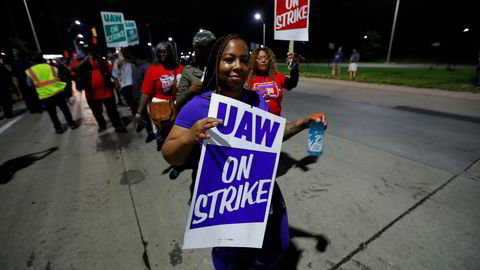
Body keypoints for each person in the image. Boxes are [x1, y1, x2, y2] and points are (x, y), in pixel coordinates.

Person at [161, 34, 327, 269]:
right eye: (229, 59)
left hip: (258, 188)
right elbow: (170, 154)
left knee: (277, 245)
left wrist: (303, 123)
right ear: (216, 64)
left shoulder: (258, 100)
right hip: (221, 196)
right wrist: (189, 136)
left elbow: (270, 138)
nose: (237, 66)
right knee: (227, 253)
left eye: (243, 60)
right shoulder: (198, 105)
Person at [134, 41, 184, 151]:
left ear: (172, 52)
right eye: (160, 52)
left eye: (165, 51)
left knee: (180, 136)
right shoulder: (153, 70)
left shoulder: (180, 68)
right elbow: (146, 92)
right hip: (162, 110)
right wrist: (139, 113)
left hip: (180, 107)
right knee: (164, 138)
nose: (162, 54)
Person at [71, 50, 127, 133]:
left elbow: (111, 72)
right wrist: (85, 60)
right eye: (88, 54)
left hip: (107, 91)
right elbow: (73, 68)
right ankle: (102, 125)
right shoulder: (81, 62)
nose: (91, 56)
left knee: (112, 110)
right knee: (97, 112)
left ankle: (117, 125)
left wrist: (116, 82)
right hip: (91, 94)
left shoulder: (102, 61)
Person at [25, 53, 78, 133]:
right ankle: (72, 124)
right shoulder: (52, 68)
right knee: (65, 110)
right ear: (43, 59)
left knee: (52, 113)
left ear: (33, 61)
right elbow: (59, 78)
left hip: (45, 95)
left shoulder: (31, 71)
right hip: (58, 93)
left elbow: (29, 83)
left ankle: (58, 128)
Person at [245, 47, 300, 116]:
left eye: (266, 58)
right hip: (254, 122)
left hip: (275, 123)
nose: (263, 61)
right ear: (253, 61)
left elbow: (292, 84)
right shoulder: (248, 79)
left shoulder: (277, 76)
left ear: (270, 60)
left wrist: (294, 66)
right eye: (259, 58)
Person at [176, 30, 217, 110]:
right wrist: (191, 90)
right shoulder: (189, 70)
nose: (212, 50)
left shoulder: (220, 66)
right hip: (197, 114)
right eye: (208, 47)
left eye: (213, 46)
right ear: (198, 49)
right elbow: (178, 102)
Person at [131, 45, 155, 143]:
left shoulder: (146, 67)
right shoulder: (138, 67)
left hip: (146, 99)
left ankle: (154, 133)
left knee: (150, 117)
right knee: (145, 117)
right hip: (140, 98)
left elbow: (149, 86)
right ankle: (150, 132)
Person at [10, 49, 43, 113]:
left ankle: (31, 109)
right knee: (33, 95)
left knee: (27, 97)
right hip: (27, 80)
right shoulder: (25, 61)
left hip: (21, 81)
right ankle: (38, 108)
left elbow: (14, 74)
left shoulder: (13, 63)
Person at [112, 47, 135, 111]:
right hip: (125, 87)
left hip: (135, 85)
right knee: (133, 106)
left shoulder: (133, 60)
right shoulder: (118, 62)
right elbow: (114, 74)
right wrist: (117, 85)